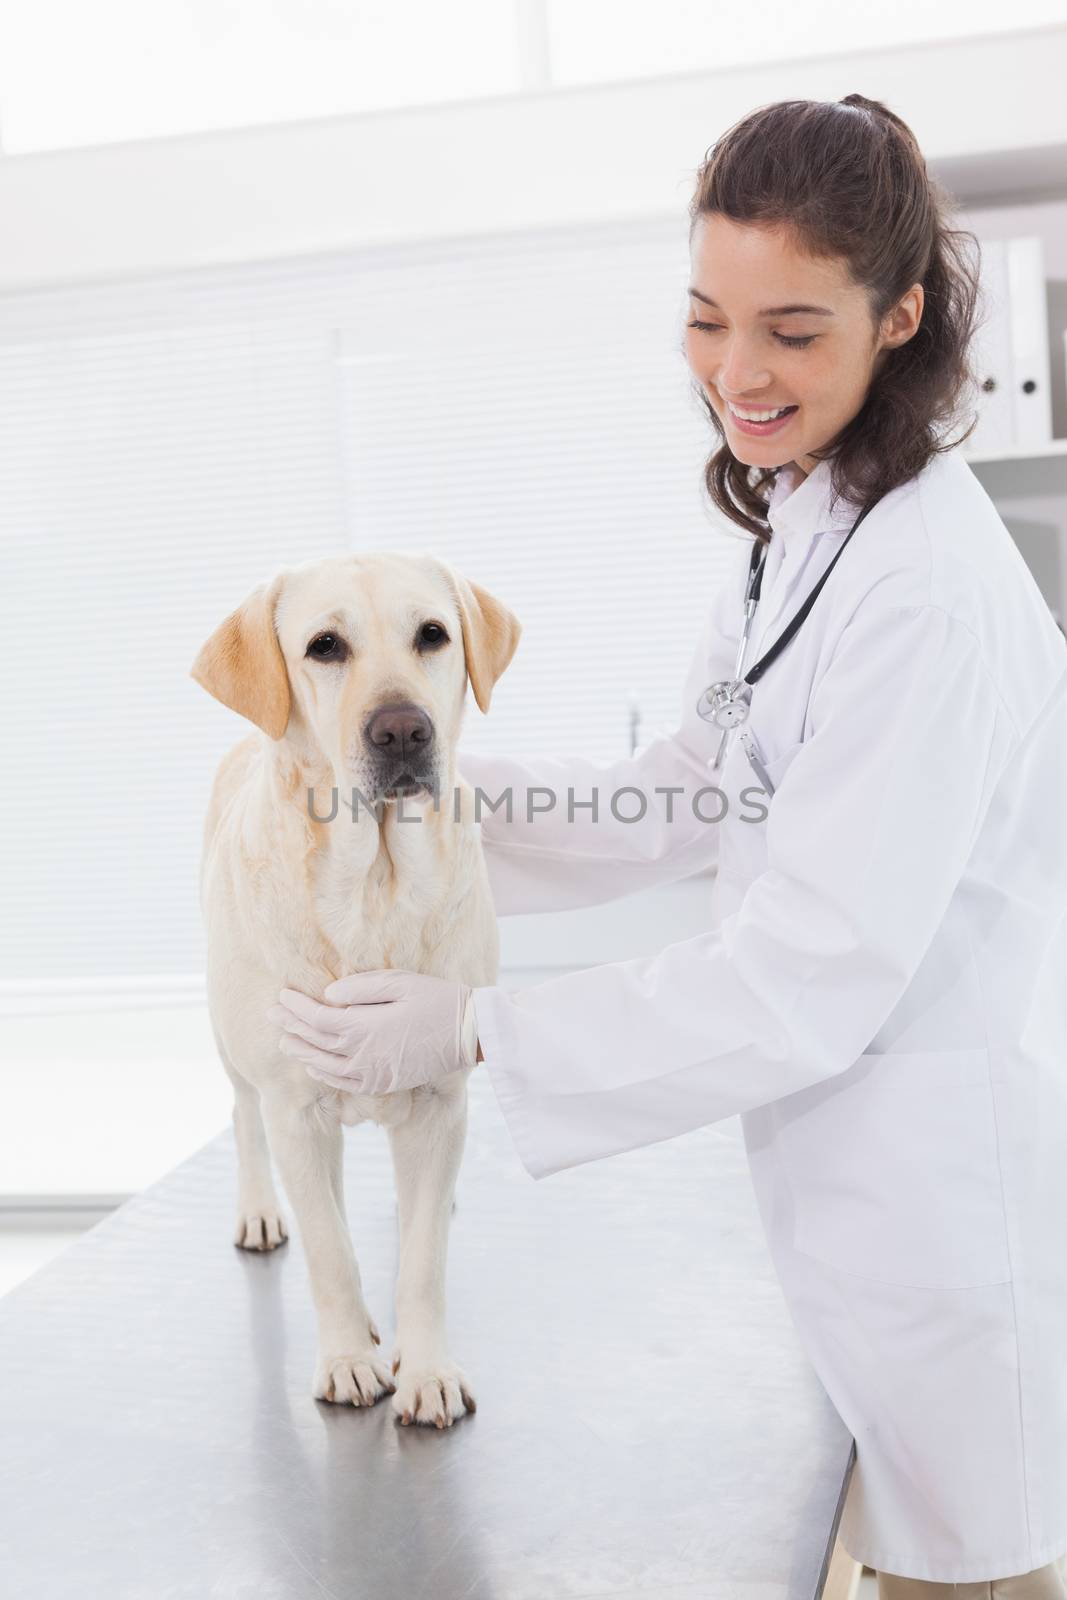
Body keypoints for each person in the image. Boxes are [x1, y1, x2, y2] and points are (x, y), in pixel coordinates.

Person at [269, 96, 1067, 1596]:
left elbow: (806, 974)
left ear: (899, 318)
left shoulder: (927, 594)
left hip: (942, 1202)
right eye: (707, 320)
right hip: (849, 1188)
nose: (737, 374)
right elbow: (696, 782)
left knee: (968, 1581)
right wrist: (431, 789)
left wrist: (479, 1028)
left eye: (791, 329)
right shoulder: (806, 528)